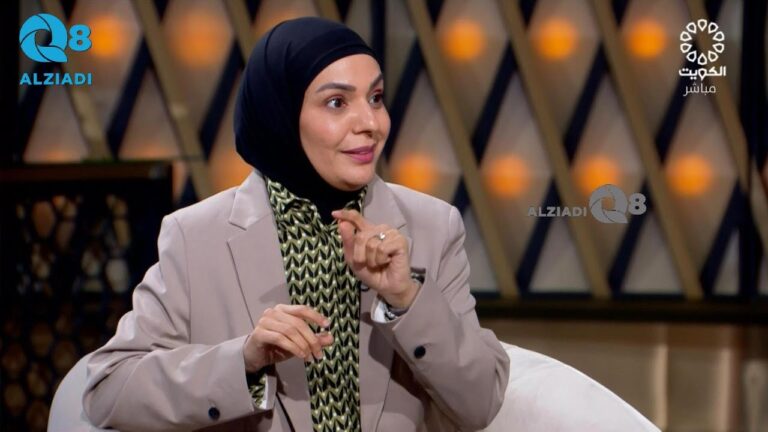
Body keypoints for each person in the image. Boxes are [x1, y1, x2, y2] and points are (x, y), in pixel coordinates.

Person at [82, 17, 510, 432]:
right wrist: (243, 361)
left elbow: (480, 404)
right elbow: (109, 390)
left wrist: (407, 299)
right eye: (337, 102)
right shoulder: (196, 237)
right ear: (280, 113)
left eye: (376, 98)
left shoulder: (433, 226)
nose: (371, 124)